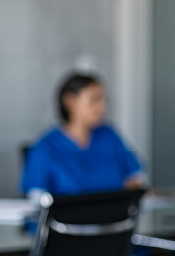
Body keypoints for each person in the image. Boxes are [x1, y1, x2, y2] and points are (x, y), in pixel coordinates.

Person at [21, 73, 145, 201]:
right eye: (94, 100)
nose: (102, 107)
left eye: (103, 100)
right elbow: (36, 197)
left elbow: (135, 177)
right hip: (67, 220)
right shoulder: (44, 149)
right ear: (70, 101)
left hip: (113, 218)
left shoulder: (108, 136)